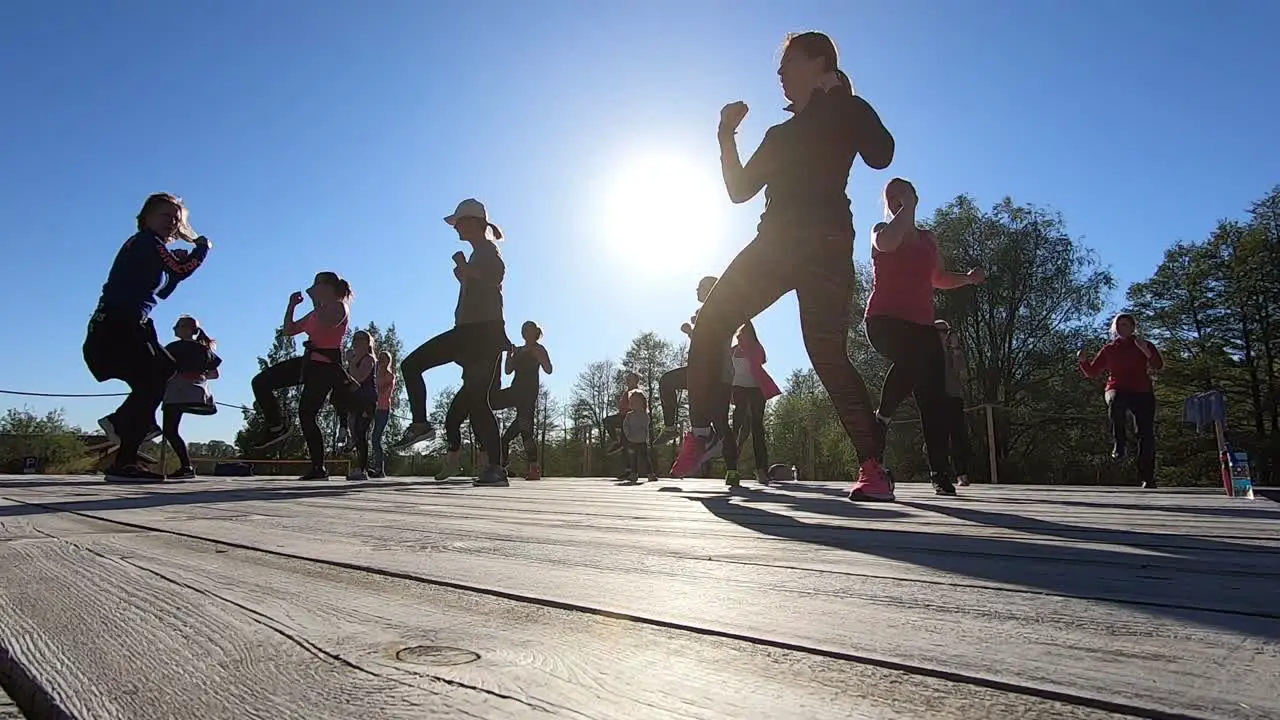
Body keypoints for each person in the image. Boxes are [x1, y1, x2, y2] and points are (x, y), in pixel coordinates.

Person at [671, 31, 894, 493]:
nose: (778, 73)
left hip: (826, 246)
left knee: (827, 354)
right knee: (712, 320)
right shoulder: (780, 134)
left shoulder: (846, 112)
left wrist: (844, 99)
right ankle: (704, 432)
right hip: (773, 245)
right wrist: (724, 135)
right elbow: (739, 191)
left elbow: (881, 154)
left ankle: (873, 467)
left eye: (788, 62)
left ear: (819, 63)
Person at [863, 178, 986, 499]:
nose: (895, 199)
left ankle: (940, 473)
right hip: (884, 321)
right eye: (890, 196)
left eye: (902, 193)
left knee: (934, 400)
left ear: (915, 195)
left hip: (921, 326)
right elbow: (887, 244)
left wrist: (969, 280)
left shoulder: (929, 239)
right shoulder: (882, 229)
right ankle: (883, 417)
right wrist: (907, 211)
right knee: (915, 356)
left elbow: (938, 278)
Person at [84, 193, 211, 483]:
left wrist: (177, 268)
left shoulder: (151, 249)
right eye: (165, 216)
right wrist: (201, 248)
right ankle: (125, 452)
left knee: (162, 371)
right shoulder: (145, 242)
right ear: (146, 217)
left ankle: (121, 426)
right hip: (118, 325)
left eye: (176, 219)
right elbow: (181, 268)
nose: (172, 223)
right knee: (153, 379)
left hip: (129, 324)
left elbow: (165, 287)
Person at [392, 198, 510, 487]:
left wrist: (467, 271)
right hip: (474, 334)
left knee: (413, 365)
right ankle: (494, 468)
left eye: (459, 221)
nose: (455, 227)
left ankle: (422, 425)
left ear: (474, 223)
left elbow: (496, 275)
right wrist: (465, 274)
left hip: (480, 335)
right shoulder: (477, 254)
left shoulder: (487, 250)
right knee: (476, 400)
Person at [250, 271, 354, 480]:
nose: (312, 289)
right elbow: (288, 330)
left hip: (326, 367)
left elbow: (329, 323)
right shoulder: (316, 312)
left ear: (326, 287)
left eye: (316, 286)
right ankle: (276, 424)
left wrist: (315, 301)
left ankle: (319, 468)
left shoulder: (339, 306)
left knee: (307, 414)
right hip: (309, 362)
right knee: (261, 381)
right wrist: (292, 306)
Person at [1078, 312, 1164, 488]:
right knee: (1116, 402)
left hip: (1142, 390)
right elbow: (1093, 372)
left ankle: (1147, 477)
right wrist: (1083, 361)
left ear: (1133, 327)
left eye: (1125, 325)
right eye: (1118, 325)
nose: (1121, 328)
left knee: (1146, 435)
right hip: (1117, 387)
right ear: (1114, 329)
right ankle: (1120, 443)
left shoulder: (1144, 344)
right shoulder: (1110, 349)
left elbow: (1158, 366)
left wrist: (1146, 351)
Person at [654, 275, 719, 446]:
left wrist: (692, 329)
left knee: (667, 382)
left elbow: (712, 341)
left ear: (709, 289)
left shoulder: (714, 311)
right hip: (702, 367)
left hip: (706, 368)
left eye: (699, 287)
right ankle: (708, 435)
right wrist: (691, 332)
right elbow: (703, 343)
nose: (696, 291)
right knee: (699, 407)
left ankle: (673, 428)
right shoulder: (708, 311)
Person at [161, 315, 221, 479]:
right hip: (196, 393)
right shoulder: (203, 349)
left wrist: (182, 376)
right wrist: (197, 377)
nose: (174, 328)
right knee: (171, 429)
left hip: (175, 391)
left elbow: (162, 370)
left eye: (178, 326)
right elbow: (215, 374)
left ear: (187, 329)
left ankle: (186, 466)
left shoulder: (172, 348)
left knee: (170, 429)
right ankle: (186, 467)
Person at [493, 320, 553, 480]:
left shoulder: (539, 349)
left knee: (523, 433)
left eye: (528, 329)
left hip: (528, 394)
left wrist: (540, 357)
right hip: (515, 390)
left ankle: (533, 469)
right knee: (490, 402)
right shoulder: (518, 351)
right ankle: (500, 465)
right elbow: (507, 371)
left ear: (535, 332)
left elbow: (549, 369)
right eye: (523, 330)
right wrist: (509, 355)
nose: (525, 332)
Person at [730, 321, 781, 485]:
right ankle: (732, 469)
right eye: (738, 334)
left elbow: (761, 360)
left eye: (743, 333)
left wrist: (746, 347)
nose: (740, 336)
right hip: (738, 390)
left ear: (750, 334)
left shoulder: (755, 348)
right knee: (736, 428)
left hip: (756, 390)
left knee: (757, 429)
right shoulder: (731, 351)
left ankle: (761, 470)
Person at [935, 319, 971, 487]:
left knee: (958, 436)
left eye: (945, 331)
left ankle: (961, 474)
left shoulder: (953, 351)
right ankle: (940, 473)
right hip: (936, 398)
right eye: (939, 331)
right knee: (938, 437)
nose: (943, 334)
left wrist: (956, 347)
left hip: (954, 396)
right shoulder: (928, 352)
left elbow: (961, 368)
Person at [344, 330, 378, 482]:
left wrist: (351, 362)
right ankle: (360, 466)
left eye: (361, 339)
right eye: (355, 338)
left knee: (361, 432)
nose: (357, 341)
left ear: (368, 342)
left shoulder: (368, 359)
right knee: (355, 434)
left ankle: (362, 469)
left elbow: (359, 377)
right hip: (354, 401)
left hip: (367, 400)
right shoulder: (354, 358)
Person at [621, 389, 658, 483]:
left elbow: (645, 425)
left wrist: (645, 436)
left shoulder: (644, 415)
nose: (634, 404)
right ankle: (633, 474)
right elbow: (625, 425)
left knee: (645, 458)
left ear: (642, 403)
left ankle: (650, 474)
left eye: (636, 402)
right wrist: (628, 434)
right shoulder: (629, 415)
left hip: (642, 441)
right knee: (633, 458)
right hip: (631, 440)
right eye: (632, 402)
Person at [369, 350, 396, 478]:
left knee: (376, 438)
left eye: (384, 359)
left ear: (388, 361)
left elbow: (383, 391)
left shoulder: (389, 376)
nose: (381, 361)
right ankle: (369, 466)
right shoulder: (374, 374)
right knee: (366, 436)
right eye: (379, 358)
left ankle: (379, 468)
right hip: (371, 407)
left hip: (383, 409)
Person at [604, 371, 641, 457]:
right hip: (623, 416)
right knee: (608, 421)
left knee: (610, 421)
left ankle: (621, 444)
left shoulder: (636, 392)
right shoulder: (627, 392)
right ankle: (618, 443)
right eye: (627, 379)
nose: (627, 381)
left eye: (630, 379)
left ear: (635, 381)